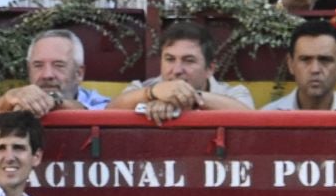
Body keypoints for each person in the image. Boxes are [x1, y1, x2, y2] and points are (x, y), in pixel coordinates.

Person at [108, 19, 257, 124]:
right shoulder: (140, 89)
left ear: (210, 69)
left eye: (189, 60)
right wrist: (151, 94)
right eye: (170, 59)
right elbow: (108, 113)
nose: (177, 70)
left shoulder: (236, 94)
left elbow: (251, 120)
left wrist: (189, 99)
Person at [0, 30, 112, 115]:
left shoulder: (102, 104)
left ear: (79, 73)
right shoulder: (17, 99)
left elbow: (97, 115)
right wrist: (8, 98)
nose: (47, 75)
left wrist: (55, 102)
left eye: (59, 65)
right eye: (38, 65)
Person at [263, 18, 336, 110]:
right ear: (291, 64)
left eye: (325, 60)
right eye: (305, 59)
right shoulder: (265, 121)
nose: (315, 69)